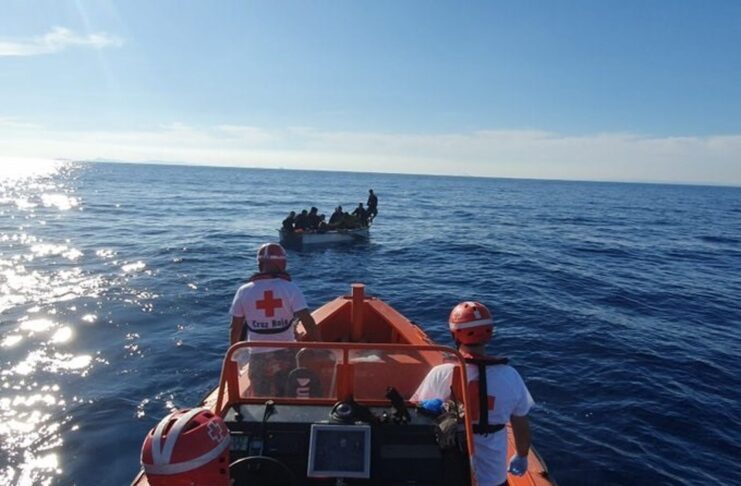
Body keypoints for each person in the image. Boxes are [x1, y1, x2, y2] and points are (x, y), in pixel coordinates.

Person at [412, 302, 533, 486]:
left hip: (450, 472)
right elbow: (520, 423)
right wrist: (522, 456)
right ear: (489, 334)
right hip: (494, 478)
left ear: (454, 334)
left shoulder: (441, 373)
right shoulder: (510, 376)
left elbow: (417, 413)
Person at [229, 243, 321, 394]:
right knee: (287, 396)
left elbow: (235, 328)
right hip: (287, 355)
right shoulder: (290, 288)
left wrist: (234, 358)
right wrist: (320, 348)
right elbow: (308, 322)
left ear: (260, 264)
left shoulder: (243, 291)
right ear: (282, 263)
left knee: (260, 397)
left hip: (257, 356)